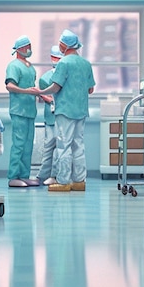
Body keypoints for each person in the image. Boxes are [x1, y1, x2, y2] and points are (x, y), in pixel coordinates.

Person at [38, 29, 95, 192]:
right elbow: (90, 89)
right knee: (78, 145)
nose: (59, 45)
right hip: (81, 110)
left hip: (65, 111)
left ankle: (63, 181)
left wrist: (40, 92)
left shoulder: (64, 63)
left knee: (63, 145)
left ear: (64, 45)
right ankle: (79, 180)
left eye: (61, 43)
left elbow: (56, 87)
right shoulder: (86, 64)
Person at [5, 35, 42, 188]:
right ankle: (13, 176)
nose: (29, 49)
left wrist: (38, 94)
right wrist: (26, 91)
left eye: (30, 46)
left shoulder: (30, 67)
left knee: (28, 145)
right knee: (18, 144)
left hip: (29, 111)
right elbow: (10, 86)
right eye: (27, 46)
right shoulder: (13, 66)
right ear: (19, 49)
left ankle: (24, 176)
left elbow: (31, 87)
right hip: (19, 111)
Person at [36, 45, 63, 186]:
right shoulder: (45, 78)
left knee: (60, 148)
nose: (57, 60)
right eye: (56, 58)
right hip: (51, 116)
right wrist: (48, 98)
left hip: (64, 115)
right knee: (49, 147)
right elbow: (42, 94)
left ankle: (55, 175)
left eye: (59, 58)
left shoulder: (66, 74)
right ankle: (42, 175)